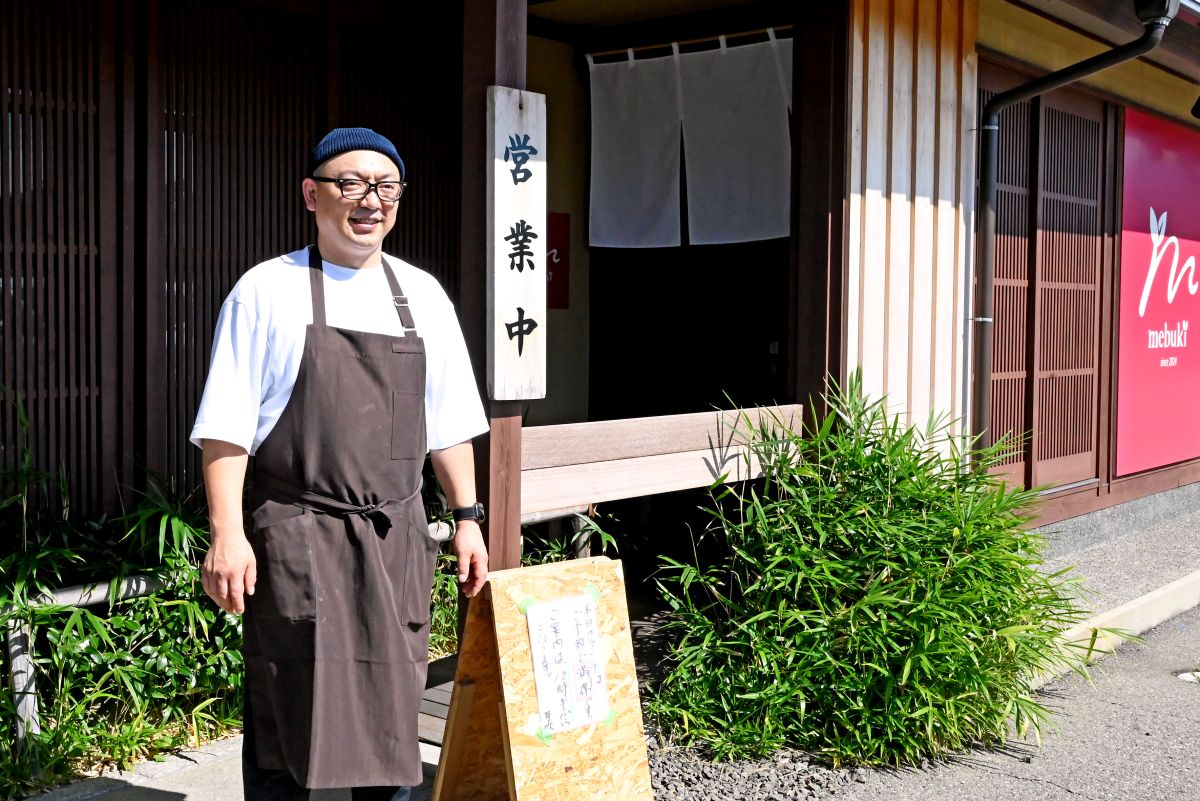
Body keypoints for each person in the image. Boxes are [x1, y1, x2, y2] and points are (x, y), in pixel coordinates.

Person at [191, 127, 490, 801]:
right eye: (349, 183)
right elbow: (226, 428)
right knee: (285, 712)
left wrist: (467, 518)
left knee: (391, 715)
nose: (369, 200)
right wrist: (227, 532)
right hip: (299, 537)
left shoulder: (423, 298)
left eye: (385, 187)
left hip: (394, 540)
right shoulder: (267, 290)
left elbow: (446, 425)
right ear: (311, 194)